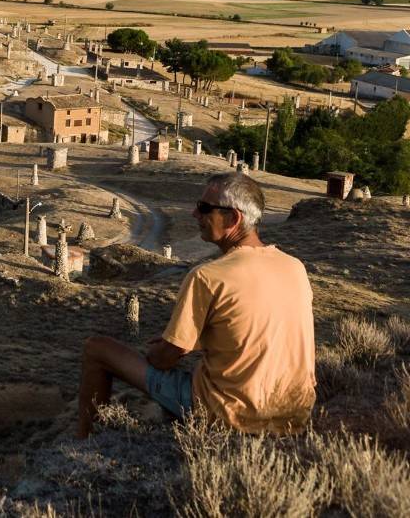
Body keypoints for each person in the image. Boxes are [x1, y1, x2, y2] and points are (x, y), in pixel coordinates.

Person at [77, 171, 315, 437]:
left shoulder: (208, 276)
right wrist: (194, 341)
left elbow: (166, 360)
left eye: (204, 208)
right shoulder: (294, 267)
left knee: (97, 349)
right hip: (293, 415)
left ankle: (82, 442)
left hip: (228, 416)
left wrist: (160, 351)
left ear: (233, 218)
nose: (194, 214)